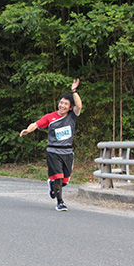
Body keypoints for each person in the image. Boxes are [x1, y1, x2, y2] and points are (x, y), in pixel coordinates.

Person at [20, 79, 82, 211]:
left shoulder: (72, 116)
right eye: (61, 102)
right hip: (53, 152)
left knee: (64, 180)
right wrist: (27, 130)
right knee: (58, 178)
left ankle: (52, 185)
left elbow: (79, 106)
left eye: (66, 103)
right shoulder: (50, 117)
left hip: (68, 152)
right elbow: (36, 124)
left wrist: (74, 91)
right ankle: (60, 203)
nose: (62, 105)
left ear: (70, 107)